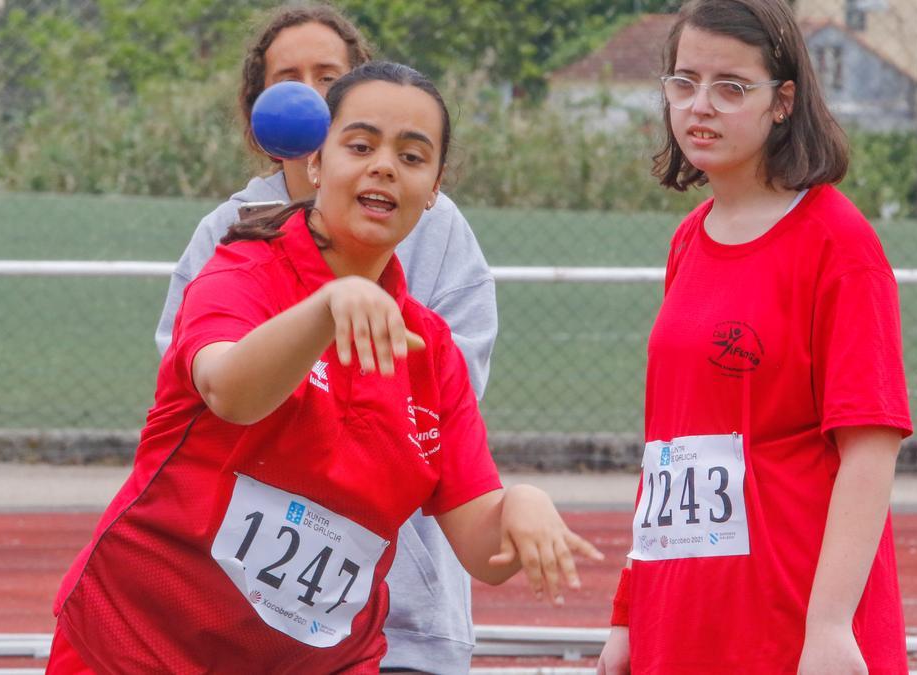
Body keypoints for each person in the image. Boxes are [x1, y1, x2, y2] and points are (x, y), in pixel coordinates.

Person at [47, 61, 601, 674]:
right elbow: (228, 390)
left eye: (413, 157)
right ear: (315, 162)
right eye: (360, 145)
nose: (385, 166)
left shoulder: (431, 349)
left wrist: (520, 506)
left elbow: (483, 552)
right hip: (139, 647)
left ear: (435, 188)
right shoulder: (243, 268)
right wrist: (325, 309)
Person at [154, 9, 497, 672]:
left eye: (325, 77)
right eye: (288, 79)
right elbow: (203, 385)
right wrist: (319, 321)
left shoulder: (439, 234)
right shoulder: (233, 237)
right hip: (215, 612)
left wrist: (518, 511)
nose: (304, 96)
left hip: (396, 612)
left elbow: (448, 419)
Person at [596, 1, 912, 673]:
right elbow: (668, 454)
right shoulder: (688, 240)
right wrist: (628, 611)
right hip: (684, 615)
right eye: (684, 83)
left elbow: (869, 451)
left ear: (782, 101)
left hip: (790, 621)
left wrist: (828, 624)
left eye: (730, 87)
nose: (699, 106)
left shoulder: (839, 243)